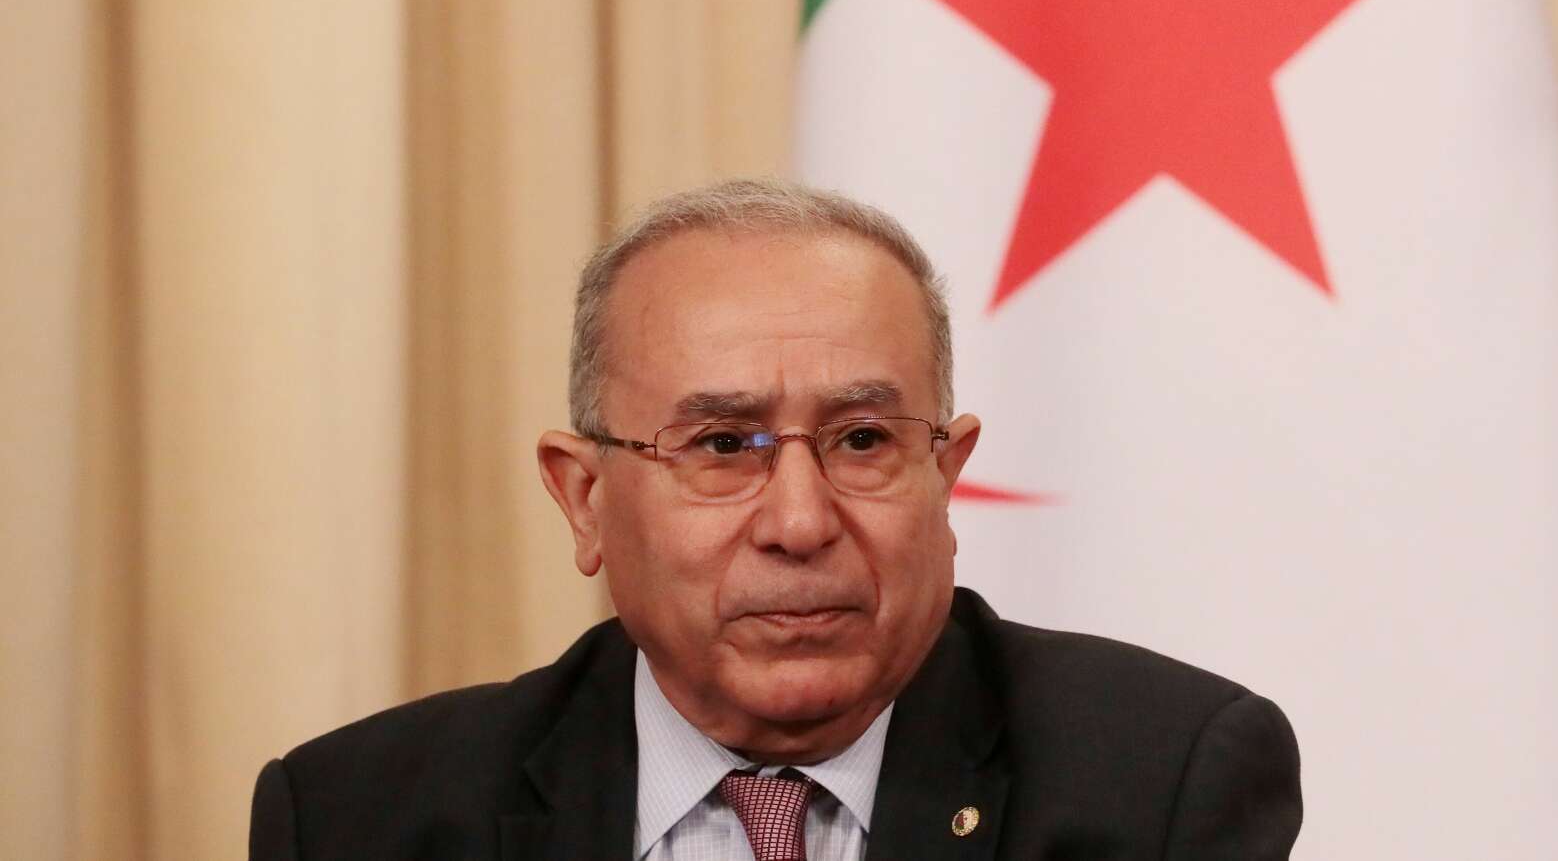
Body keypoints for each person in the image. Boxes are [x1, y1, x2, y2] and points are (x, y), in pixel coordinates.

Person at [249, 178, 1301, 860]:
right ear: (584, 498)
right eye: (720, 446)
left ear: (945, 476)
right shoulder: (361, 821)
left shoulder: (1160, 787)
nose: (799, 522)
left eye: (862, 439)